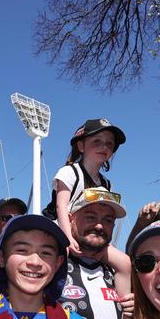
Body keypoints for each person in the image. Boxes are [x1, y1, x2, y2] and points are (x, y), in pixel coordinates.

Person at [44, 118, 131, 296]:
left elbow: (108, 216)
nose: (104, 147)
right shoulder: (69, 172)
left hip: (88, 233)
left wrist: (101, 246)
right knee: (50, 256)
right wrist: (67, 238)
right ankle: (48, 300)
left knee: (124, 263)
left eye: (109, 144)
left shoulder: (106, 183)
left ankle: (124, 312)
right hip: (59, 228)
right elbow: (61, 207)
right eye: (96, 142)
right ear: (81, 146)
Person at [58, 187, 131, 319]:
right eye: (91, 217)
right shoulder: (53, 266)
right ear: (70, 219)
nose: (99, 225)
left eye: (108, 220)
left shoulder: (116, 270)